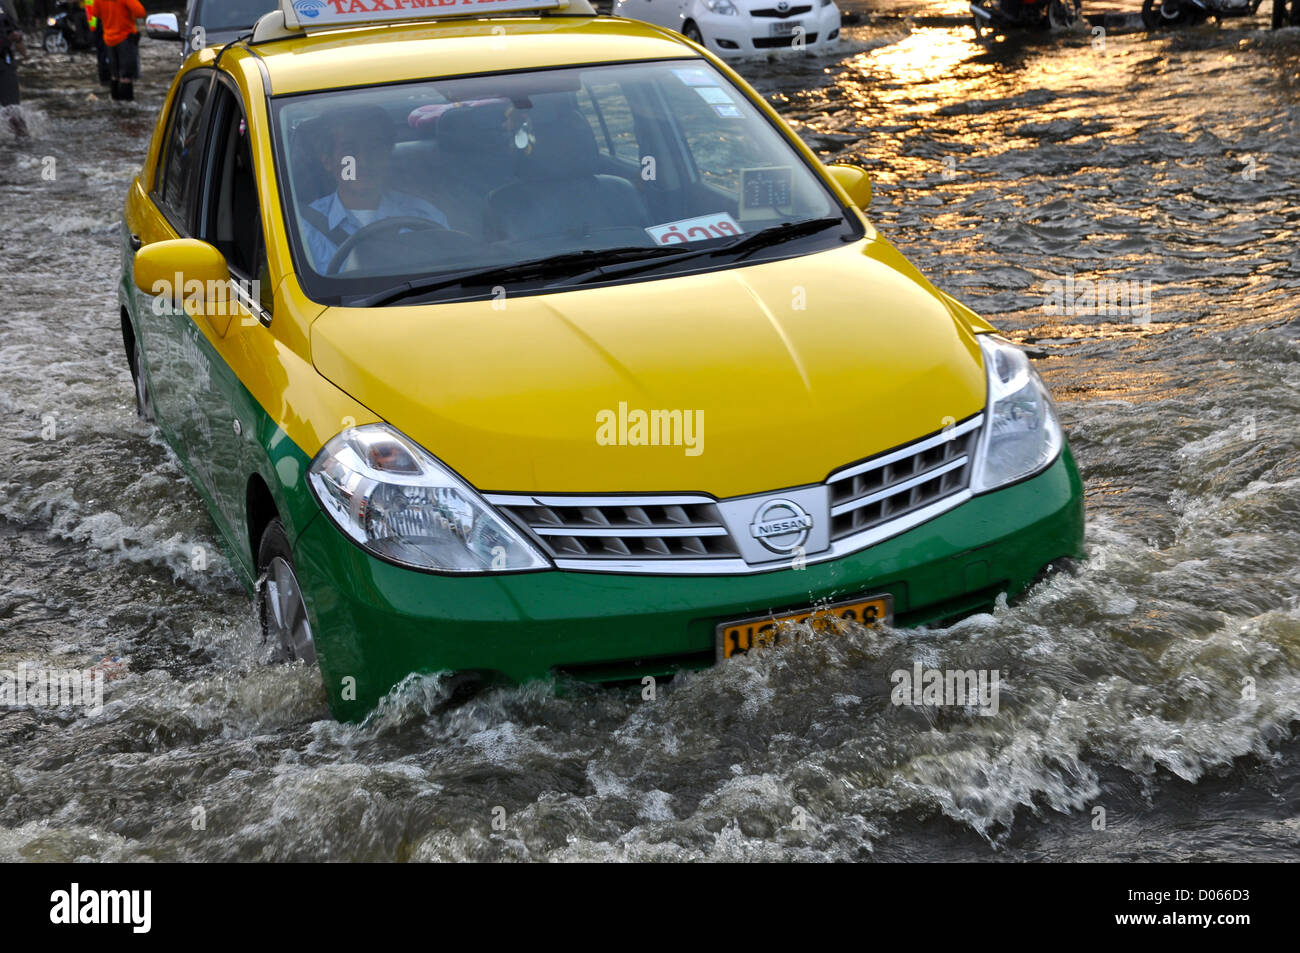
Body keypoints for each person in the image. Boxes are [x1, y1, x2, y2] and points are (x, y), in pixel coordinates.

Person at [299, 106, 448, 273]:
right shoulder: (304, 230)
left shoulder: (425, 216)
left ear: (387, 155)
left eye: (374, 148)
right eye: (349, 150)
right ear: (327, 161)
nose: (364, 162)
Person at [94, 0, 142, 101]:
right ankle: (127, 107)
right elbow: (140, 12)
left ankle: (115, 102)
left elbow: (95, 13)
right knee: (126, 76)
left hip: (109, 39)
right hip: (126, 38)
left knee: (114, 75)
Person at [0, 0, 27, 136]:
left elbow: (14, 29)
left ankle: (23, 143)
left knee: (13, 110)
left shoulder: (2, 6)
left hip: (5, 62)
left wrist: (17, 38)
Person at [84, 0, 109, 85]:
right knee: (105, 53)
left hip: (95, 25)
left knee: (102, 53)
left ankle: (104, 78)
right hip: (100, 24)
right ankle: (107, 78)